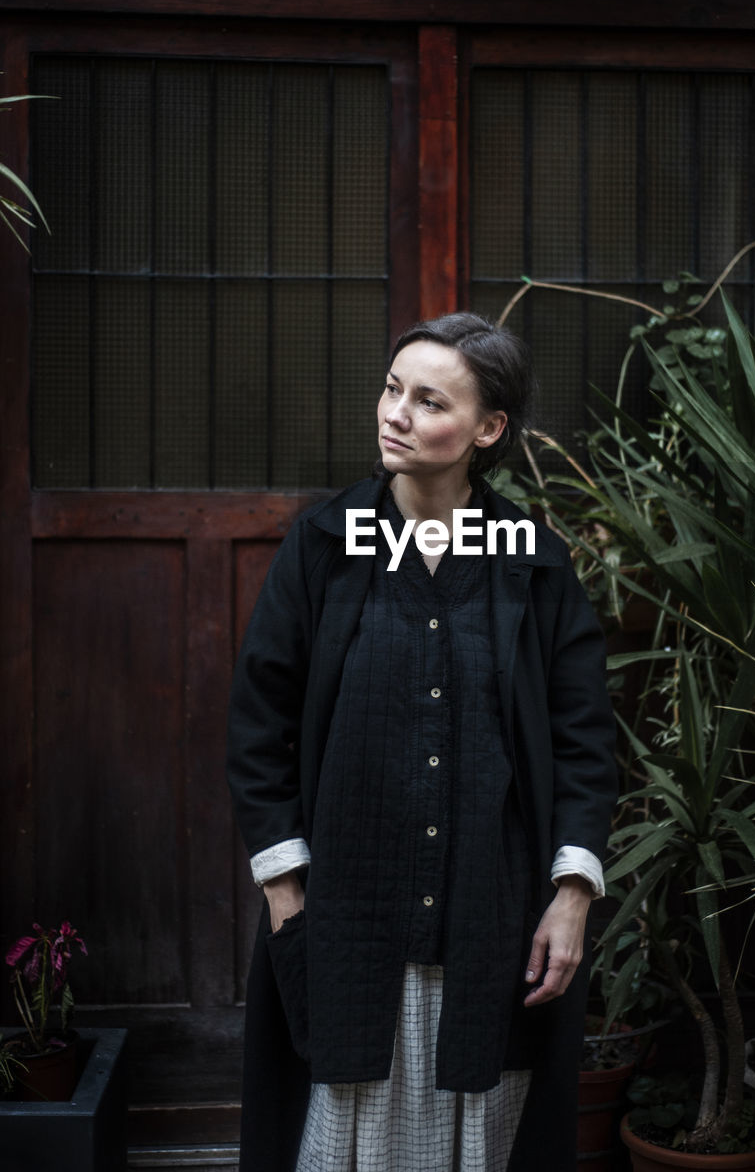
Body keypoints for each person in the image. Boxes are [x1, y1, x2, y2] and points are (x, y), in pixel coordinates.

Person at [226, 312, 618, 1172]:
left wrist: (571, 895)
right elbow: (259, 725)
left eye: (428, 400)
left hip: (494, 918)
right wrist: (286, 890)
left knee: (484, 1126)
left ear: (487, 430)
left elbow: (585, 739)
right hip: (344, 917)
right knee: (336, 1118)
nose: (394, 413)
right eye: (392, 388)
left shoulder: (534, 563)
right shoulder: (324, 548)